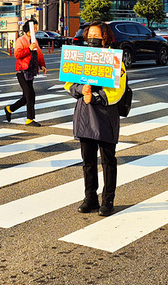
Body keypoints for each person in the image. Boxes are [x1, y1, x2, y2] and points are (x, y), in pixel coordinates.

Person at [65, 21, 127, 217]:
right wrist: (79, 90)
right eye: (89, 34)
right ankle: (89, 197)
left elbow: (119, 90)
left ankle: (108, 199)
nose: (91, 38)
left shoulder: (115, 59)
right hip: (84, 113)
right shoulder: (81, 57)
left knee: (108, 160)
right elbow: (68, 83)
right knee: (88, 160)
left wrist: (98, 97)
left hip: (105, 115)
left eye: (96, 35)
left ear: (105, 38)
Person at [3, 20, 47, 127]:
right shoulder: (21, 40)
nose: (36, 30)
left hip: (31, 71)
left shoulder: (34, 40)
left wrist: (42, 65)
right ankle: (29, 119)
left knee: (26, 97)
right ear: (28, 30)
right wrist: (28, 49)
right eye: (35, 28)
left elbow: (39, 54)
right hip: (22, 71)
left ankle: (10, 109)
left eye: (37, 28)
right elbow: (17, 54)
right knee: (30, 94)